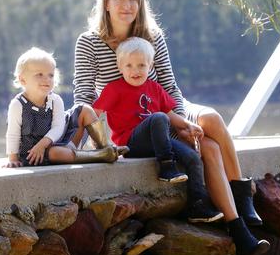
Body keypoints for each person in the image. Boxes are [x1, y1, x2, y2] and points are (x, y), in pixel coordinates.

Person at [73, 0, 269, 255]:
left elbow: (169, 84)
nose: (127, 6)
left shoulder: (152, 36)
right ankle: (239, 230)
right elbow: (83, 98)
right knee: (210, 149)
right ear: (106, 3)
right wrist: (97, 142)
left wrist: (180, 123)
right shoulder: (89, 41)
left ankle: (242, 197)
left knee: (212, 120)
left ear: (141, 3)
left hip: (166, 109)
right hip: (131, 124)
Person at [94, 37, 224, 223]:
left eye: (141, 65)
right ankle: (166, 167)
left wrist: (187, 125)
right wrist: (95, 143)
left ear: (151, 66)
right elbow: (94, 114)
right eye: (129, 65)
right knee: (158, 118)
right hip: (131, 143)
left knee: (192, 157)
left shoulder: (154, 88)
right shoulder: (114, 89)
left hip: (158, 142)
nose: (135, 71)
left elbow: (170, 114)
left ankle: (198, 205)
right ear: (119, 66)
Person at [5, 47, 127, 168]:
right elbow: (13, 134)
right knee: (55, 153)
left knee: (84, 109)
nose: (46, 79)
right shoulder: (18, 105)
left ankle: (107, 147)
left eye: (51, 75)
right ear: (22, 79)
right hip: (37, 153)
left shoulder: (55, 100)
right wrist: (13, 158)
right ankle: (100, 156)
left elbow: (58, 127)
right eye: (39, 74)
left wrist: (44, 143)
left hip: (60, 141)